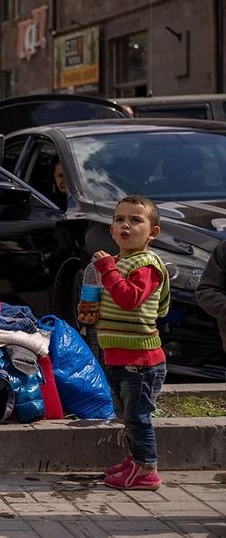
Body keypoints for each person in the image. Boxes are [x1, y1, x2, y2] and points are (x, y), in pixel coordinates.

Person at [92, 195, 170, 491]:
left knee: (138, 418)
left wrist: (107, 270)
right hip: (119, 356)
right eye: (119, 219)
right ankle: (136, 460)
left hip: (142, 362)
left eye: (136, 220)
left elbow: (129, 299)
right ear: (111, 230)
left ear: (153, 232)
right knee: (129, 416)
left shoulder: (147, 264)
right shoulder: (121, 262)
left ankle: (147, 470)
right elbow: (113, 299)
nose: (126, 225)